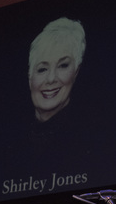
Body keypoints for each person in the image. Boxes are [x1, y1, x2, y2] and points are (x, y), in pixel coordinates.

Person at [26, 17, 88, 168]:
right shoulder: (6, 140)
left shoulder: (86, 138)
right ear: (30, 76)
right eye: (42, 69)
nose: (51, 79)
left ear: (76, 72)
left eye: (62, 66)